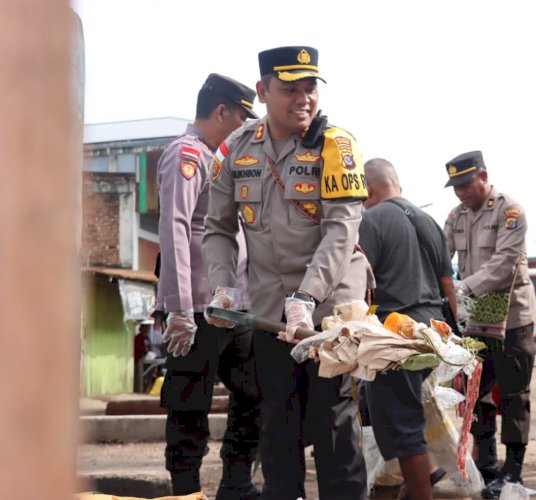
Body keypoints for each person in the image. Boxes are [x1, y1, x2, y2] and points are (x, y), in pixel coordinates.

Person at [202, 46, 371, 500]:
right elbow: (215, 227)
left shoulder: (337, 145)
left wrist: (308, 299)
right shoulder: (234, 149)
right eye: (289, 89)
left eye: (310, 88)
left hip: (330, 307)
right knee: (277, 420)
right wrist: (221, 285)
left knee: (332, 422)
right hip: (269, 311)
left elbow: (341, 230)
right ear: (262, 92)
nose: (303, 99)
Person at [156, 73, 262, 498]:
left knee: (255, 392)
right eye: (240, 116)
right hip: (197, 308)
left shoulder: (220, 158)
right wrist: (179, 307)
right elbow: (176, 228)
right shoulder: (186, 155)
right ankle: (186, 491)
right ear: (221, 111)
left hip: (234, 305)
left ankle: (236, 485)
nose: (243, 126)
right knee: (189, 404)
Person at [442, 151, 536, 499]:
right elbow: (442, 255)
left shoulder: (509, 211)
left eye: (465, 184)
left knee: (514, 397)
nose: (461, 193)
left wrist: (459, 290)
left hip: (512, 321)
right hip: (476, 323)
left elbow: (503, 264)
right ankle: (488, 467)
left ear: (483, 175)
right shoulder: (456, 216)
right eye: (455, 187)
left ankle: (513, 474)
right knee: (476, 394)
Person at [357, 158, 453, 500]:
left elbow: (360, 286)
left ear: (367, 191)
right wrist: (456, 340)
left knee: (401, 423)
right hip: (432, 330)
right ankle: (414, 488)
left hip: (395, 332)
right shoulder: (429, 220)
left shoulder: (371, 219)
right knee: (408, 415)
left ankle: (419, 493)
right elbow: (448, 284)